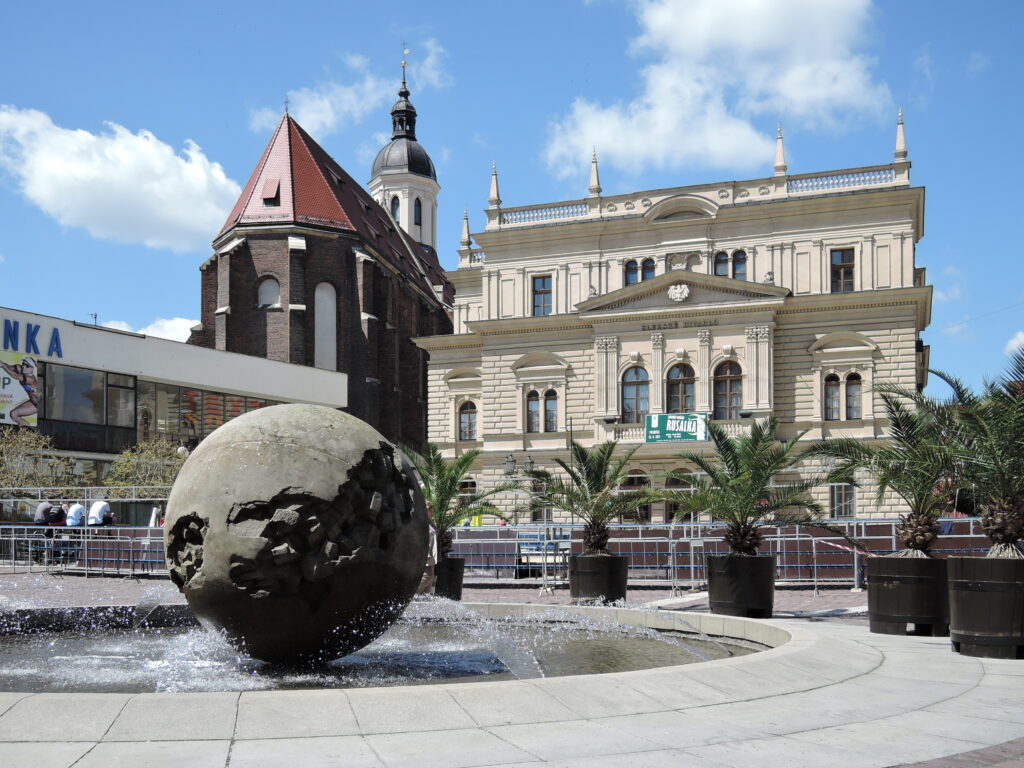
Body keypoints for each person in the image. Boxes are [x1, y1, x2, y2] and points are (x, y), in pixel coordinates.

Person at [0, 356, 40, 426]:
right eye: (23, 364)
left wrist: (2, 365)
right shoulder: (21, 368)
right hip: (32, 401)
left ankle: (29, 432)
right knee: (13, 414)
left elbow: (16, 376)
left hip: (38, 404)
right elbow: (9, 367)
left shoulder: (31, 379)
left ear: (31, 369)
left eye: (27, 366)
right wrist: (2, 363)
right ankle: (27, 430)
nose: (24, 366)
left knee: (14, 414)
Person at [416, 501, 438, 595]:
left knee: (429, 584)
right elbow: (422, 540)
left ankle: (423, 600)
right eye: (430, 510)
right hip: (426, 555)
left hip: (431, 556)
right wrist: (426, 554)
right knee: (428, 576)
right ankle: (411, 594)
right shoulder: (422, 523)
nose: (432, 512)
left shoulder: (429, 522)